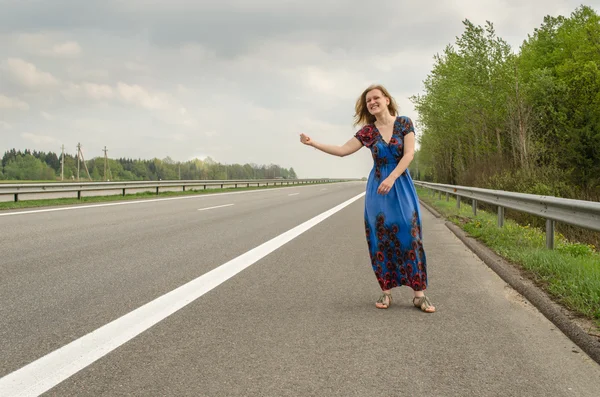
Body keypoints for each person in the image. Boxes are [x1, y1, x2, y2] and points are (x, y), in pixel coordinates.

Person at [299, 84, 435, 313]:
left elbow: (409, 153)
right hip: (377, 189)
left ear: (387, 100)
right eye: (368, 101)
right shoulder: (368, 132)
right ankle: (386, 291)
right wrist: (313, 143)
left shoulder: (404, 123)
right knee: (380, 237)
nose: (372, 102)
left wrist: (392, 177)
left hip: (399, 183)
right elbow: (342, 150)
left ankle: (419, 295)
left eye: (376, 98)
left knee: (410, 234)